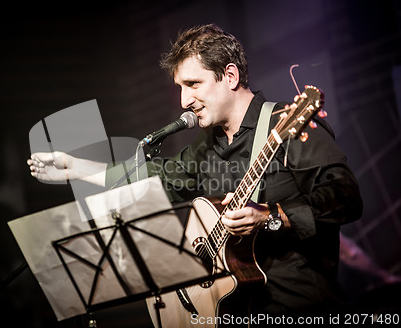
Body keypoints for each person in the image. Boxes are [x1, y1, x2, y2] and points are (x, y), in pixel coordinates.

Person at [28, 24, 362, 320]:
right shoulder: (207, 144)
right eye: (180, 87)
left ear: (230, 76)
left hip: (299, 309)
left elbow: (345, 197)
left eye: (193, 84)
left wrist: (271, 216)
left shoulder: (287, 125)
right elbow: (154, 178)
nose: (184, 100)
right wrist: (76, 168)